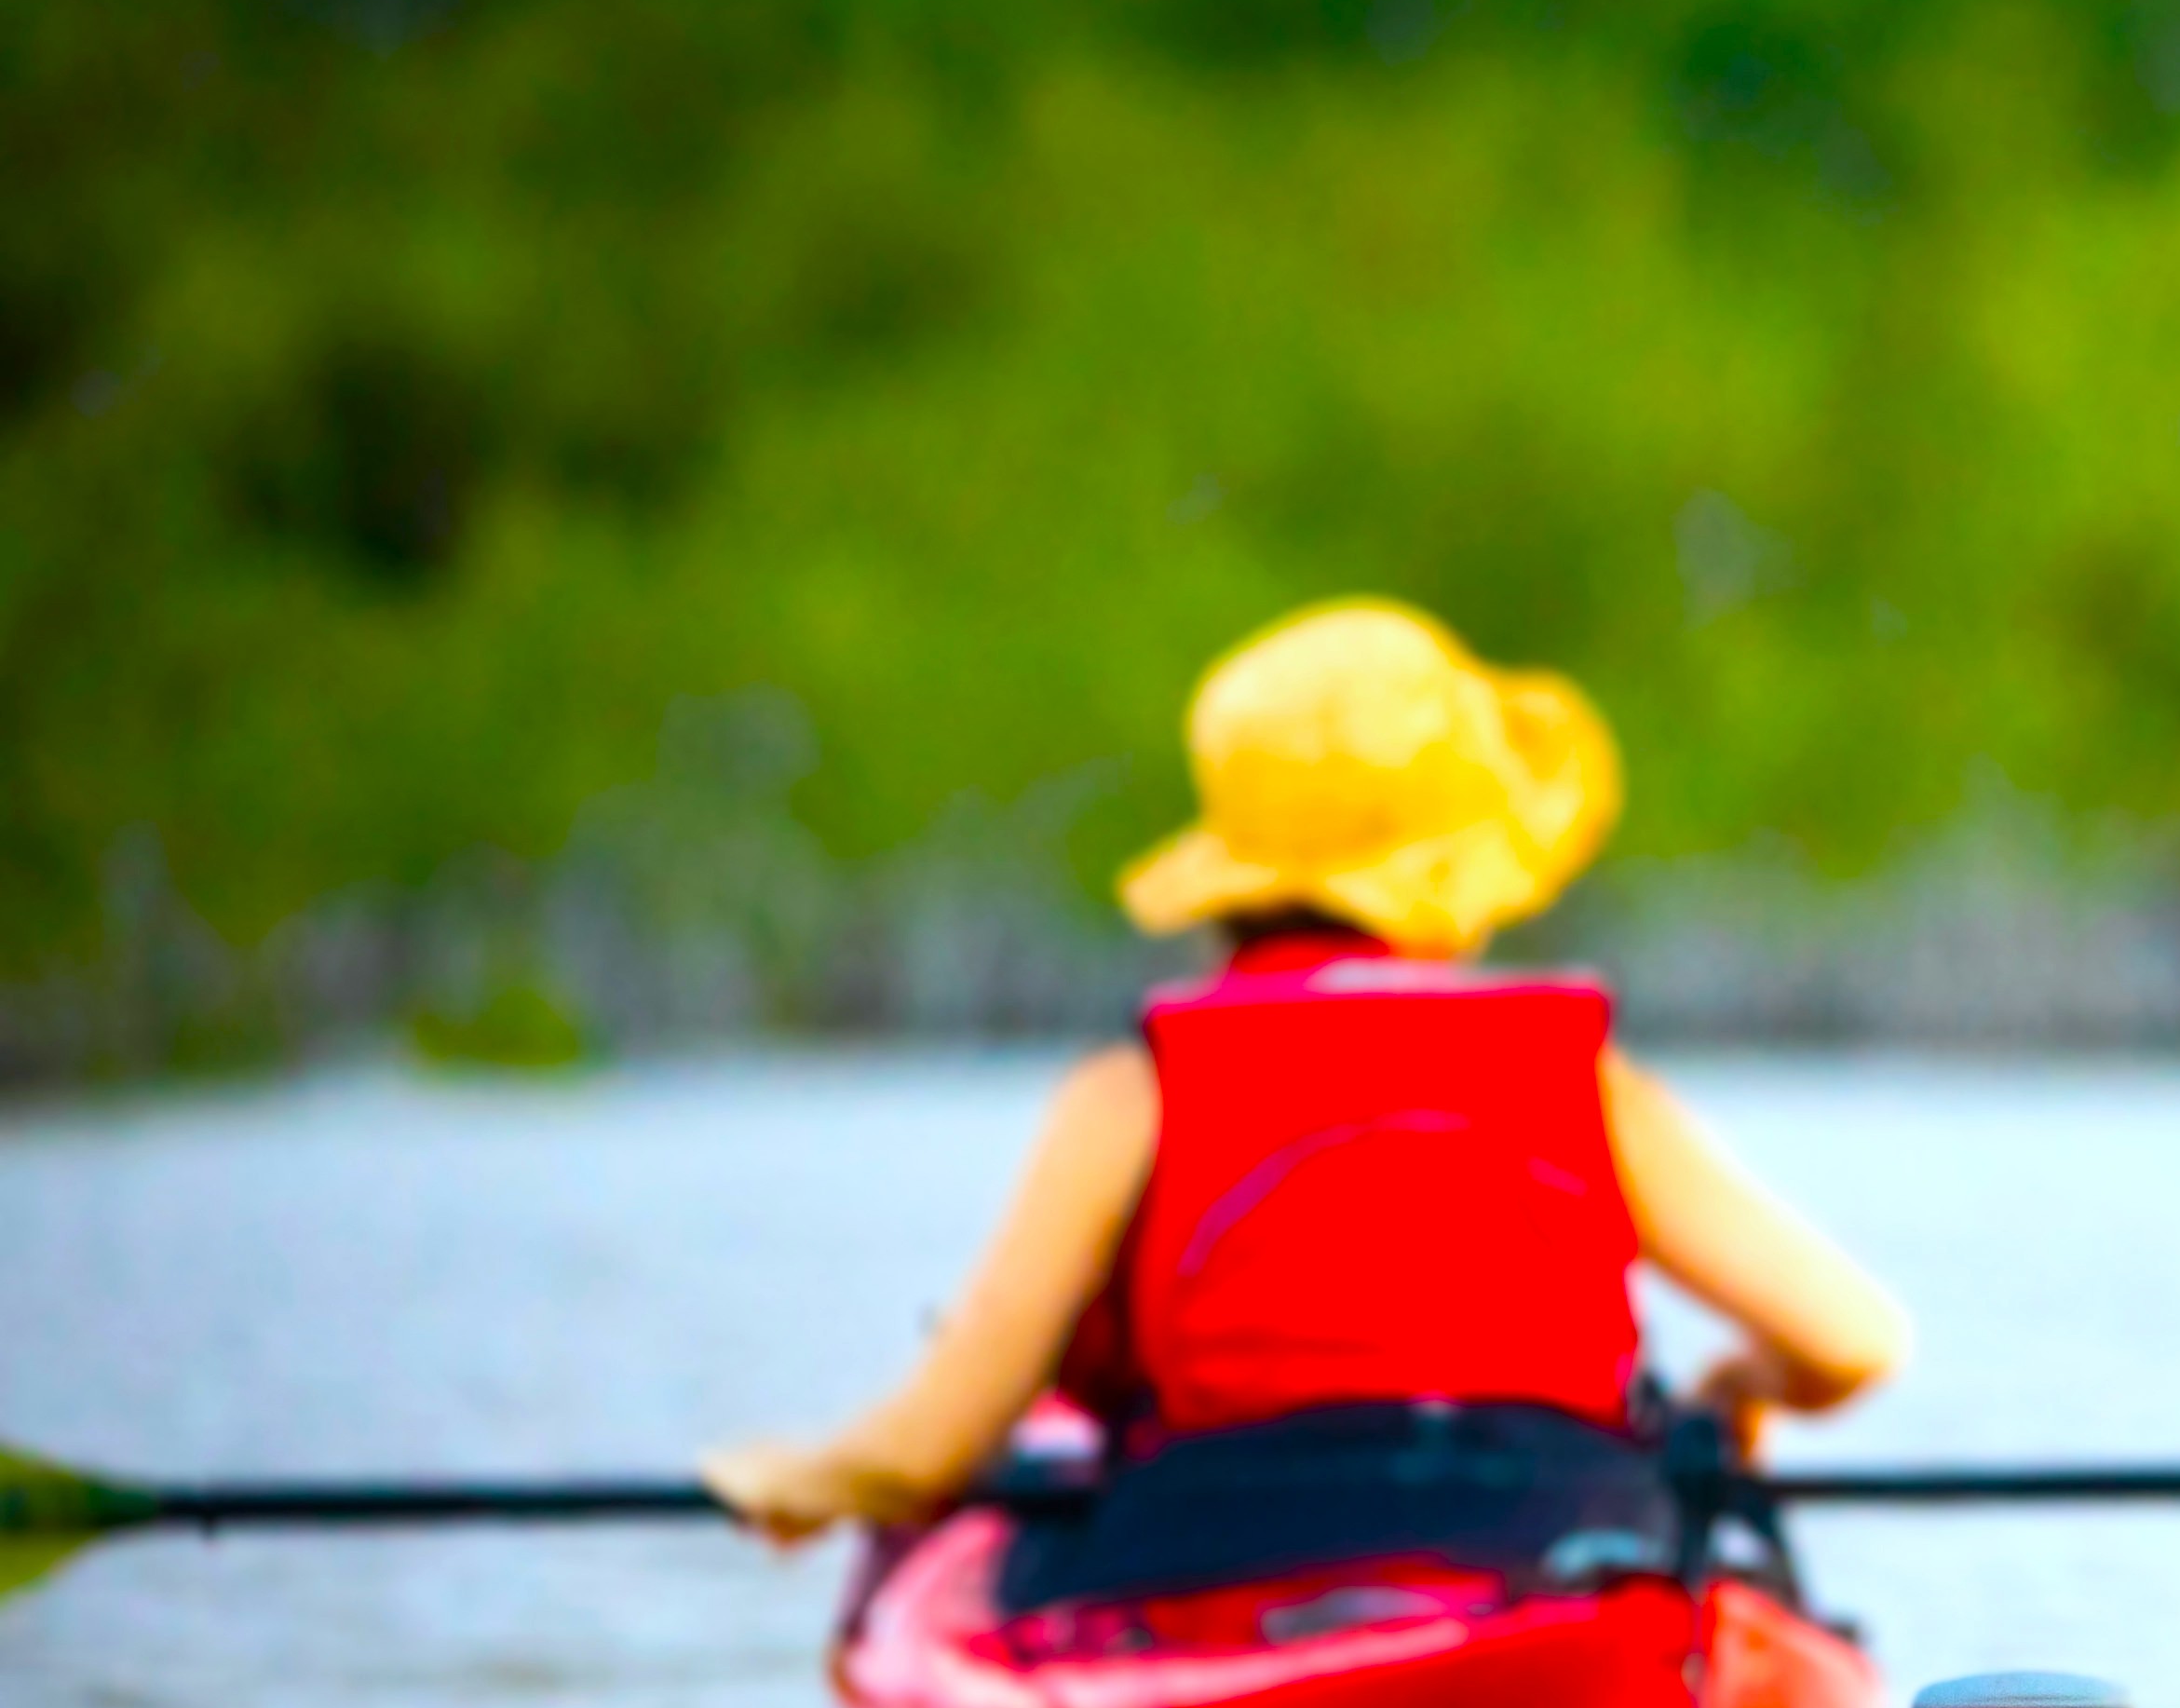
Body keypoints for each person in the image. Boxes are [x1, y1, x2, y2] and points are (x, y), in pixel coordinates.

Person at [704, 600, 1908, 1595]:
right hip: (1546, 1538)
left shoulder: (1133, 1089)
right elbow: (1852, 1342)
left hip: (1214, 1557)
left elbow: (928, 1451)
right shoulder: (1581, 1078)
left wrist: (794, 1480)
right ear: (1465, 866)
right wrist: (1742, 1392)